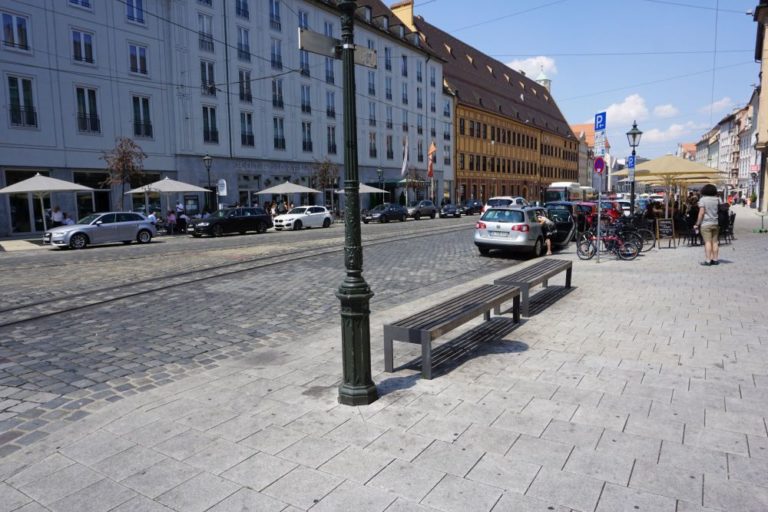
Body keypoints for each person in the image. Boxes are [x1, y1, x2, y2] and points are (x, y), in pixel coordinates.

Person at [695, 183, 720, 266]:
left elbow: (701, 213)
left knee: (708, 242)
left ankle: (708, 260)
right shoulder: (717, 199)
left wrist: (697, 223)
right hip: (715, 223)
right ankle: (715, 259)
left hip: (706, 224)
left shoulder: (703, 200)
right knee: (715, 242)